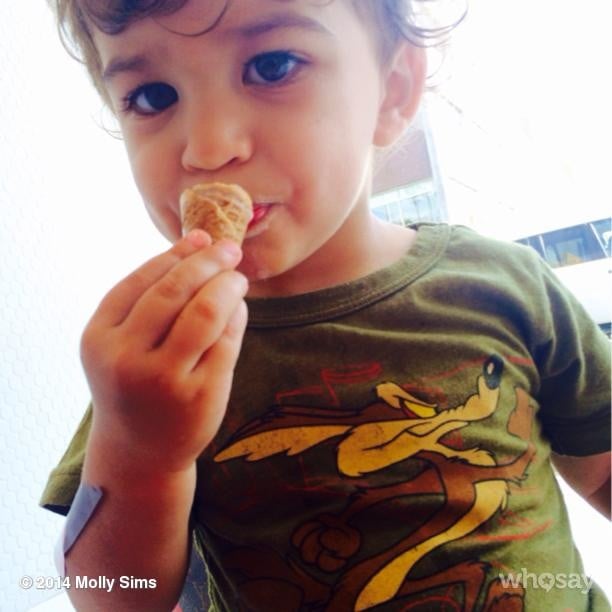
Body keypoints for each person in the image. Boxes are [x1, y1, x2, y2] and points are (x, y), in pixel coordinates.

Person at [40, 1, 610, 610]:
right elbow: (114, 597)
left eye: (272, 65)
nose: (207, 149)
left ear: (391, 92)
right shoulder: (170, 361)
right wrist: (140, 451)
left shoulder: (504, 285)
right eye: (152, 96)